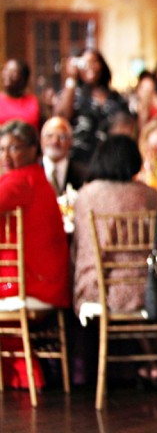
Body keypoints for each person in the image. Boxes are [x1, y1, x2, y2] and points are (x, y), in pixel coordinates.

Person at [71, 135, 157, 402]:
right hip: (150, 290)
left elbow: (82, 248)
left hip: (103, 290)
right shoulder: (149, 194)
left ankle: (135, 369)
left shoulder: (86, 196)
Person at [0, 120, 70, 389]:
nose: (6, 156)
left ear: (32, 150)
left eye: (14, 148)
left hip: (33, 284)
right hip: (42, 281)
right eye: (2, 148)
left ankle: (20, 374)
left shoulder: (20, 180)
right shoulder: (33, 177)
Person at [54, 49, 130, 165]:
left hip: (110, 161)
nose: (90, 67)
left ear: (102, 66)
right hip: (78, 161)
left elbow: (126, 124)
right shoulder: (73, 94)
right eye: (85, 63)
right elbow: (61, 117)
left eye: (94, 62)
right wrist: (71, 79)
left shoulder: (116, 98)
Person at [40, 116, 87, 195]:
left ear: (70, 141)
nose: (55, 142)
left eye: (61, 137)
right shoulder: (31, 173)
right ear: (41, 140)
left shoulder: (83, 175)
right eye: (49, 136)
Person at [0, 59, 40, 131]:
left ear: (24, 79)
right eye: (6, 70)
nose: (8, 75)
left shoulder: (34, 102)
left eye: (14, 72)